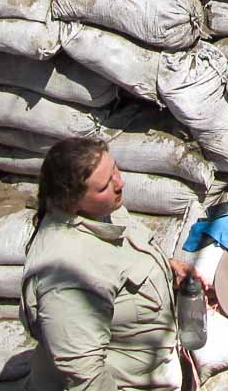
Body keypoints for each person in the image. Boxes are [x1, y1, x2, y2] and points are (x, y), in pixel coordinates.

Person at [24, 134, 193, 391]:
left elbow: (119, 262)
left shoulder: (100, 213)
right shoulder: (67, 277)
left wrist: (164, 269)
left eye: (116, 170)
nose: (120, 183)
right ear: (72, 201)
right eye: (103, 187)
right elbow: (86, 377)